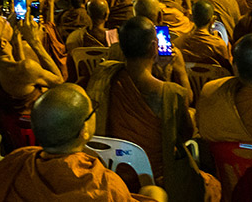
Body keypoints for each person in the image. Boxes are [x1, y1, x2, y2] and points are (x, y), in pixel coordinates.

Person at [88, 16, 218, 200]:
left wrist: (163, 76)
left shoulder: (105, 75)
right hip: (154, 181)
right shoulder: (171, 93)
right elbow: (185, 134)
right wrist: (178, 72)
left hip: (113, 171)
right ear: (153, 47)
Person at [0, 83, 165, 201]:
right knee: (155, 193)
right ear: (84, 131)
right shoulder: (103, 184)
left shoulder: (15, 162)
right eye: (92, 111)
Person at [0, 14, 63, 135]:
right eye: (4, 23)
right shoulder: (27, 68)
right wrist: (34, 41)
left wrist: (17, 41)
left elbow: (19, 73)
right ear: (3, 43)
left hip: (7, 130)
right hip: (34, 130)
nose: (7, 21)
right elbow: (59, 83)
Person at [173, 0, 232, 71]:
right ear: (212, 21)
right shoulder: (218, 44)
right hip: (214, 81)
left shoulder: (178, 42)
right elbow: (227, 70)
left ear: (191, 18)